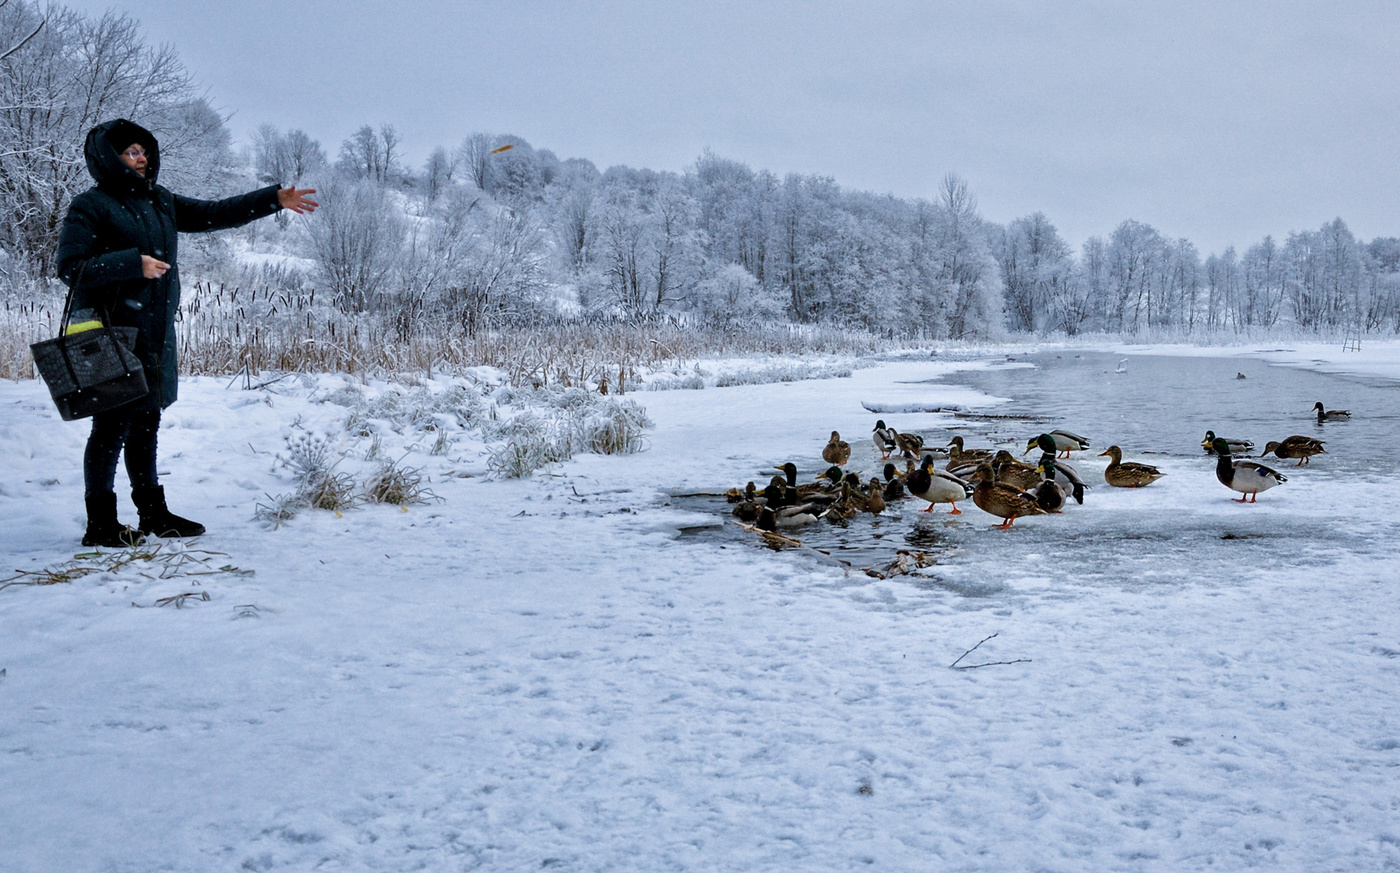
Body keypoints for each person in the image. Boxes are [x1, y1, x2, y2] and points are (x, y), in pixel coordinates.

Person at [55, 118, 318, 547]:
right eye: (130, 152)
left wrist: (273, 199)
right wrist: (132, 263)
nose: (140, 158)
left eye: (143, 150)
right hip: (109, 334)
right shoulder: (92, 205)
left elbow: (214, 213)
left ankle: (153, 513)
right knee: (109, 429)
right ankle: (100, 523)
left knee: (146, 423)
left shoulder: (161, 201)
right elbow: (70, 268)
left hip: (154, 333)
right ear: (110, 159)